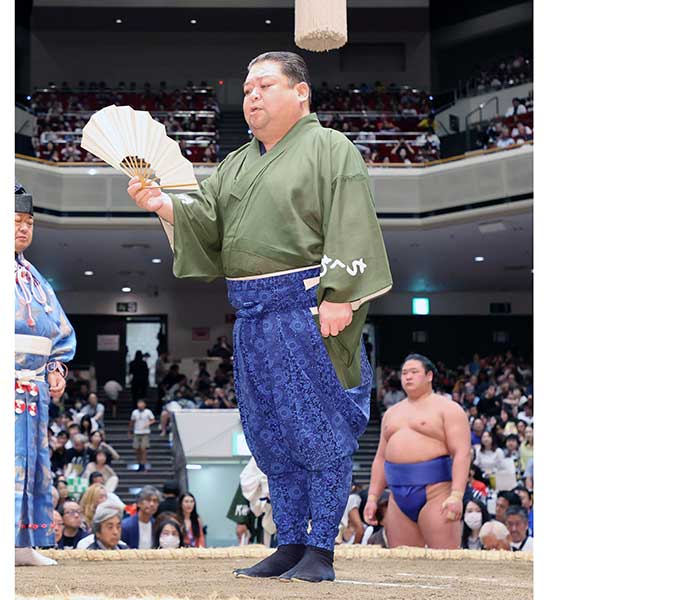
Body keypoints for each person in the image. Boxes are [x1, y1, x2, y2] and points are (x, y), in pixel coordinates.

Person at [127, 51, 391, 583]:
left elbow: (351, 218)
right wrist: (162, 204)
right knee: (270, 436)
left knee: (319, 428)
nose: (251, 95)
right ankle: (289, 541)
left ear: (300, 93)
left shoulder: (330, 148)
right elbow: (205, 219)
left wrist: (341, 296)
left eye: (264, 85)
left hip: (308, 308)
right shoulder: (234, 164)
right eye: (247, 88)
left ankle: (322, 548)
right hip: (250, 315)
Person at [14, 184, 77, 567]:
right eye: (16, 221)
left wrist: (56, 367)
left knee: (33, 463)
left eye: (29, 223)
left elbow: (58, 329)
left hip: (33, 386)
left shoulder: (36, 277)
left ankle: (22, 544)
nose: (24, 229)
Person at [364, 354, 471, 550]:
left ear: (429, 376)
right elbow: (380, 458)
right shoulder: (391, 413)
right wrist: (372, 497)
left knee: (444, 560)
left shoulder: (448, 409)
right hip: (397, 495)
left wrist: (456, 495)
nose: (408, 377)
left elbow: (462, 453)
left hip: (436, 492)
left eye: (414, 372)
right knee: (404, 562)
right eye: (404, 373)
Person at [130, 398, 155, 471]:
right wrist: (130, 430)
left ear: (144, 405)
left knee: (143, 448)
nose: (140, 405)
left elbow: (153, 420)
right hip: (137, 432)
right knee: (137, 449)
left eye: (141, 404)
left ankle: (143, 464)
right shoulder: (134, 412)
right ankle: (139, 463)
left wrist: (148, 423)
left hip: (145, 432)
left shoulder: (148, 412)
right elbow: (132, 421)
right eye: (139, 404)